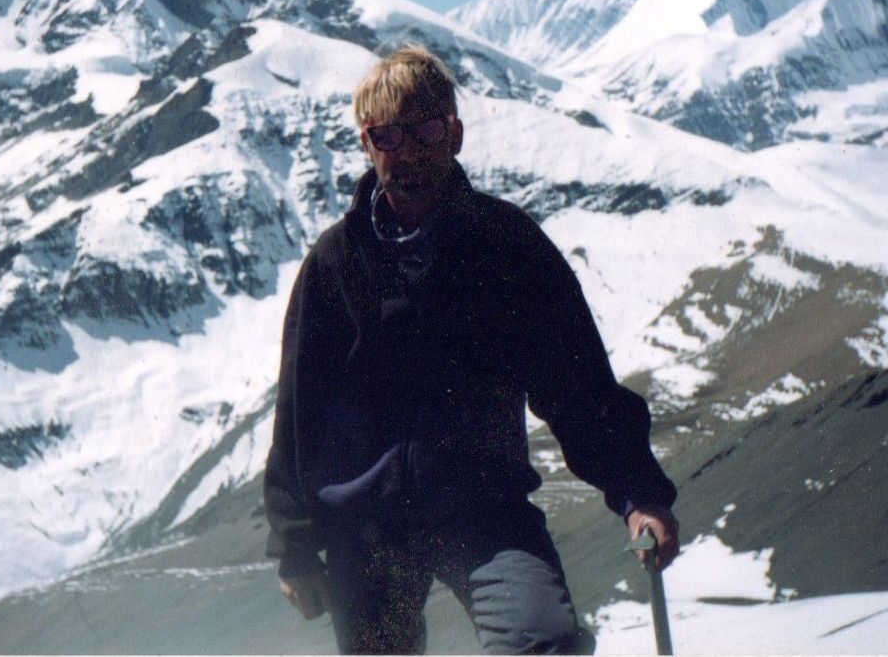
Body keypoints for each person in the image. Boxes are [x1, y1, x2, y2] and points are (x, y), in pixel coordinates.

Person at [264, 45, 679, 654]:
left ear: (454, 134)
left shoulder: (505, 245)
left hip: (484, 507)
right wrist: (295, 548)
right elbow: (300, 414)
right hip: (369, 529)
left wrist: (639, 492)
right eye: (388, 137)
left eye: (425, 132)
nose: (407, 153)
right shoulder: (336, 263)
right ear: (366, 144)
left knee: (545, 643)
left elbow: (578, 386)